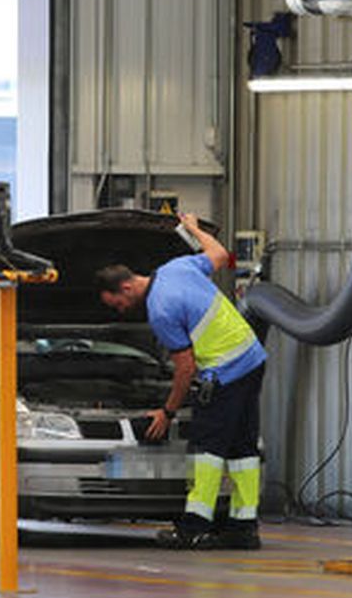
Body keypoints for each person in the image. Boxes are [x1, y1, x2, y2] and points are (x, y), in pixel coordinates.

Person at [95, 213, 267, 550]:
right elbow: (220, 255)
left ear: (127, 286)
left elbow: (185, 369)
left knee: (207, 448)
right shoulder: (178, 267)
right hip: (252, 358)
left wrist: (168, 412)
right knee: (242, 448)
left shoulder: (160, 311)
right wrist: (194, 229)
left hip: (225, 372)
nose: (118, 311)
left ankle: (194, 527)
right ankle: (244, 527)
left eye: (116, 303)